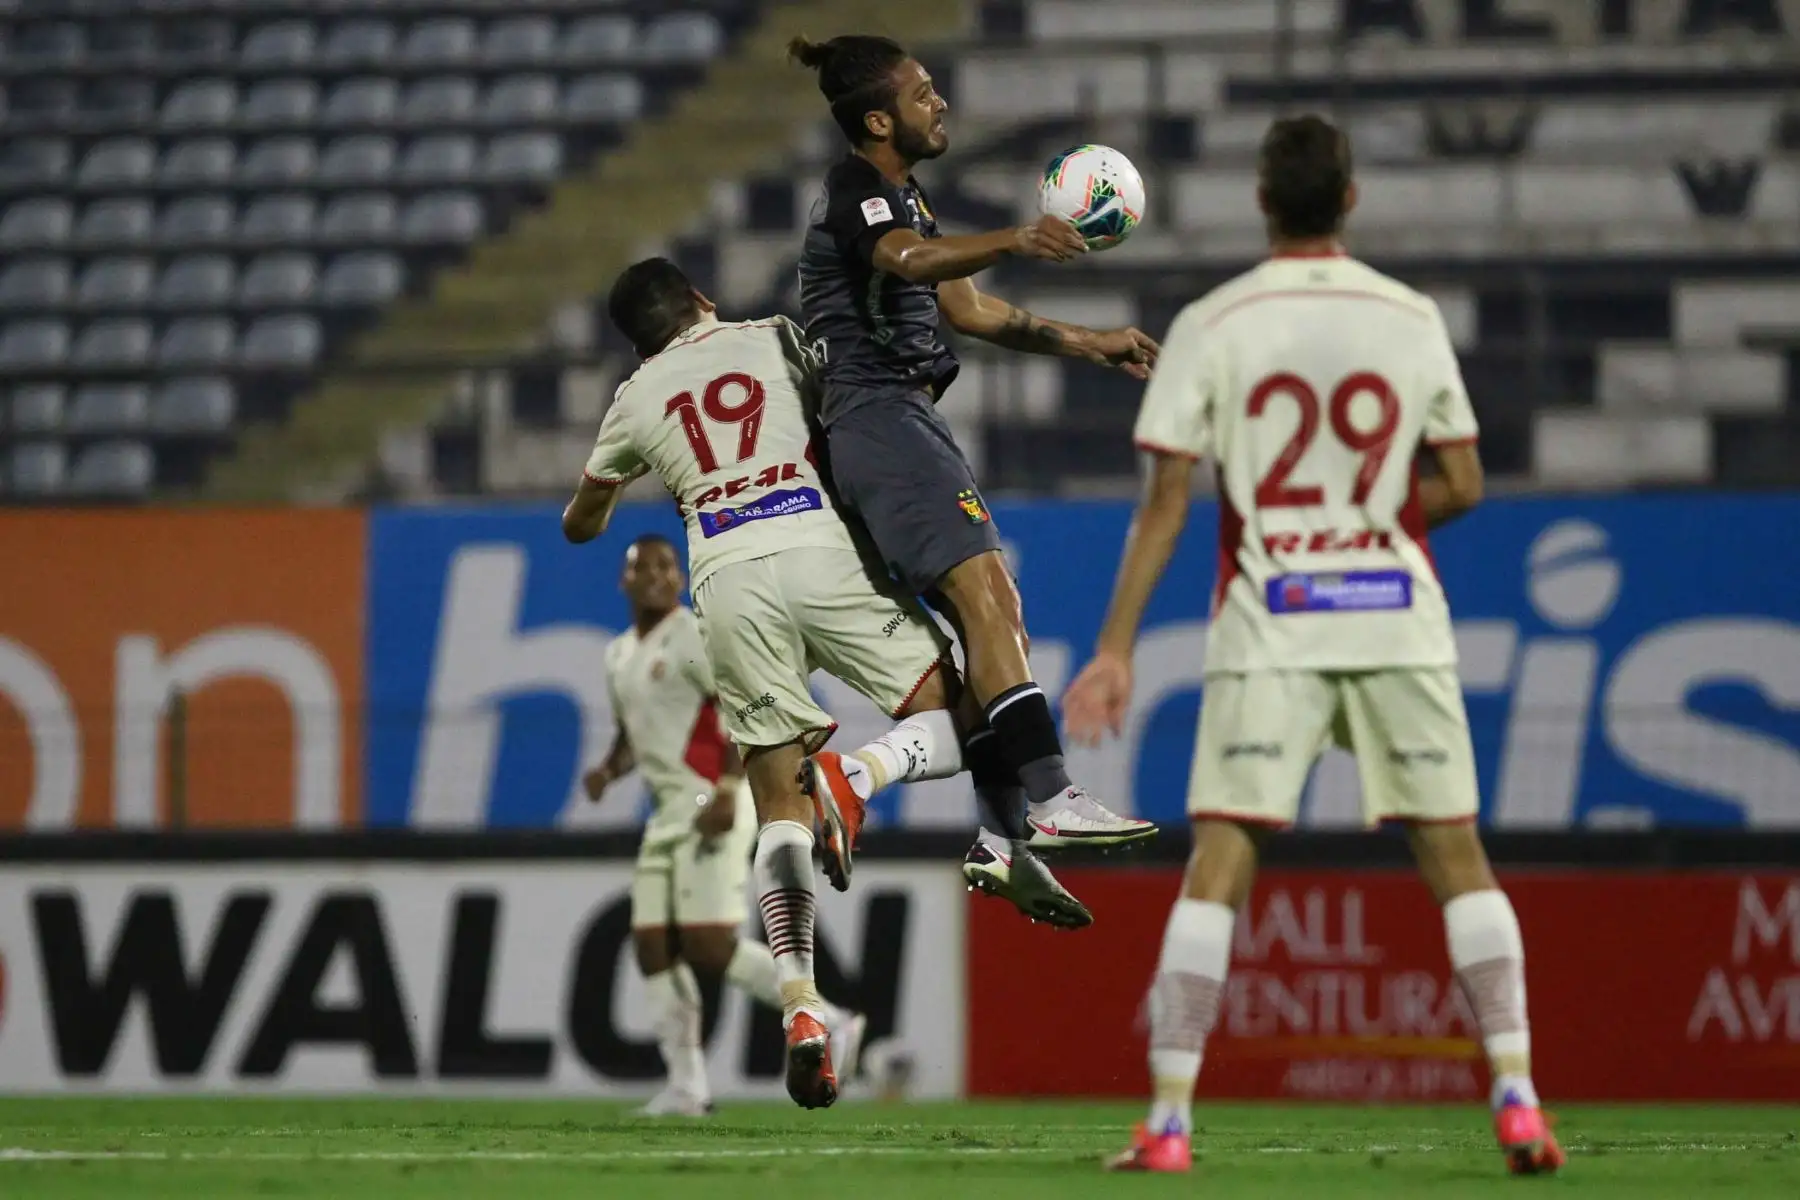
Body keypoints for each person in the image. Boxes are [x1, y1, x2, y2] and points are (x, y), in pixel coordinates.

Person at [1061, 114, 1564, 1176]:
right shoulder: (1410, 317)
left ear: (1261, 201)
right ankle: (1519, 1099)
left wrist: (1114, 649)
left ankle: (1169, 1122)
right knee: (1457, 858)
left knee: (1221, 862)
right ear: (1350, 198)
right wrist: (1370, 523)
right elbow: (1464, 482)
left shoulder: (1212, 322)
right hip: (1396, 611)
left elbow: (1166, 503)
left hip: (1271, 618)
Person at [564, 258, 1090, 1110]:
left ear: (639, 341)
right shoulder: (775, 337)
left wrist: (621, 477)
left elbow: (581, 524)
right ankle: (861, 773)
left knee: (778, 801)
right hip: (817, 545)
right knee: (968, 713)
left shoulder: (633, 398)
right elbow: (846, 414)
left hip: (726, 577)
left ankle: (803, 1007)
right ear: (702, 300)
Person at [789, 33, 1161, 854]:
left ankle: (1002, 842)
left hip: (895, 424)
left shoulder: (905, 196)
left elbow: (973, 311)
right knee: (989, 597)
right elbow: (908, 261)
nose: (941, 103)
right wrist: (1015, 238)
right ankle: (1052, 797)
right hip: (879, 418)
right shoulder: (856, 193)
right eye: (923, 93)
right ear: (879, 120)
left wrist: (1091, 343)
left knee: (992, 623)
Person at [580, 533, 866, 1117]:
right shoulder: (617, 655)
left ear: (679, 579)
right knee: (651, 947)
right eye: (642, 567)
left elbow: (741, 705)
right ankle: (687, 1087)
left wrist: (733, 789)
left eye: (666, 566)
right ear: (624, 581)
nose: (656, 575)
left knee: (710, 945)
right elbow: (633, 734)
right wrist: (608, 770)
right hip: (667, 811)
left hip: (710, 801)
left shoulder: (693, 635)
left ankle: (830, 1021)